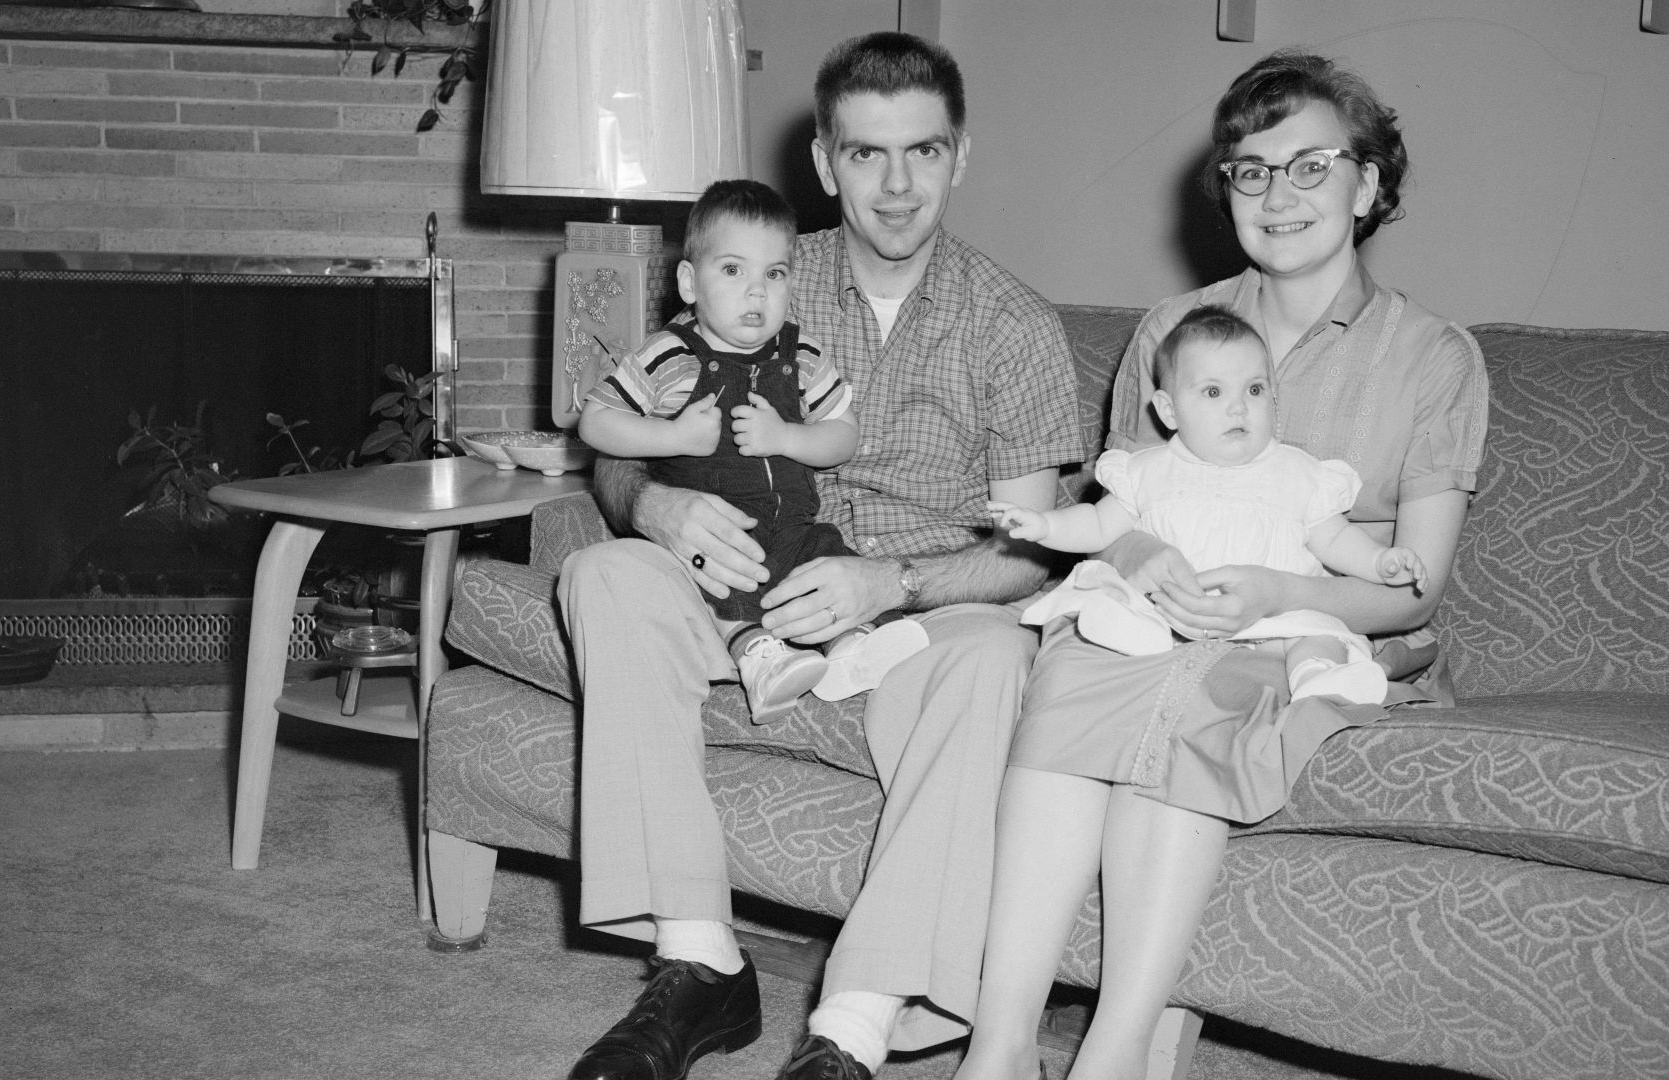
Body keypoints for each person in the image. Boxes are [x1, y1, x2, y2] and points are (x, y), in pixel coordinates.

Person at [557, 31, 1083, 1080]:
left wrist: (887, 583)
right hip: (736, 592)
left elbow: (1031, 554)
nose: (895, 185)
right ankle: (700, 963)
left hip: (918, 614)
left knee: (991, 661)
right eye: (866, 154)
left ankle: (857, 1022)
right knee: (601, 574)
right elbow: (607, 447)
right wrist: (655, 505)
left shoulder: (1014, 326)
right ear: (823, 161)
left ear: (960, 157)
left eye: (923, 153)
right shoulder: (747, 277)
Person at [956, 50, 1489, 1080]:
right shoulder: (1172, 333)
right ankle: (1001, 1045)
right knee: (1076, 667)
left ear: (1369, 183)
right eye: (1251, 170)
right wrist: (1144, 554)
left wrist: (1276, 593)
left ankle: (1109, 1056)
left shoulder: (1433, 357)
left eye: (1311, 165)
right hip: (1166, 620)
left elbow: (1413, 585)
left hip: (1326, 639)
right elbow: (1125, 509)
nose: (1277, 194)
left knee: (1198, 691)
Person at [577, 179, 929, 720]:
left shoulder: (802, 354)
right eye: (733, 270)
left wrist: (788, 437)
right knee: (720, 588)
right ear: (691, 282)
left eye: (775, 274)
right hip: (714, 537)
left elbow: (843, 433)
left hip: (791, 526)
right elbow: (597, 423)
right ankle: (758, 660)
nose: (757, 292)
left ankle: (849, 648)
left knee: (823, 560)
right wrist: (672, 437)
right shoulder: (670, 355)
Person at [990, 304, 1427, 707]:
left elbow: (1335, 538)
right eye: (1213, 392)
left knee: (1317, 633)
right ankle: (1132, 635)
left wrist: (1380, 562)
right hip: (1171, 612)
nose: (1239, 406)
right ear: (1169, 410)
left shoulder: (1301, 473)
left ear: (1274, 397)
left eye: (1254, 389)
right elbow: (1098, 525)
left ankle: (1318, 676)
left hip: (1272, 620)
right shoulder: (1147, 470)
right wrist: (1044, 525)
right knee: (1120, 593)